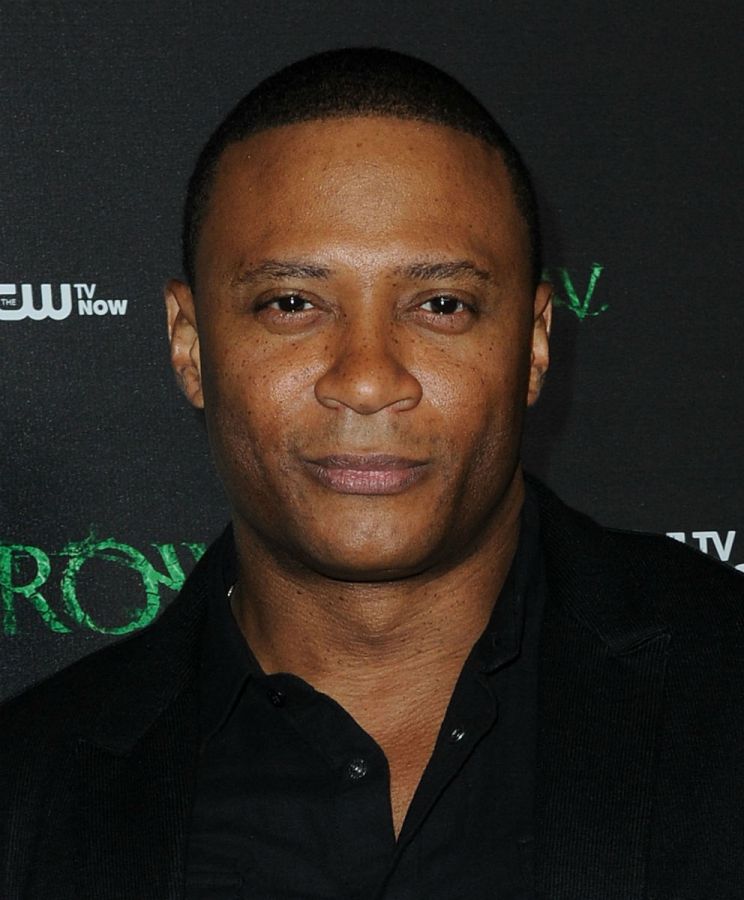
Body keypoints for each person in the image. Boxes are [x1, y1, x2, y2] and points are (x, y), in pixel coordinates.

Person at [1, 47, 742, 900]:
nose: (365, 379)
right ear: (190, 345)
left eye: (441, 305)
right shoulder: (28, 797)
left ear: (536, 343)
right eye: (291, 303)